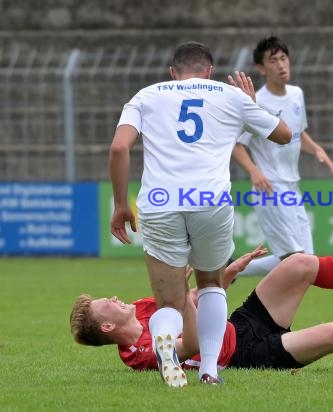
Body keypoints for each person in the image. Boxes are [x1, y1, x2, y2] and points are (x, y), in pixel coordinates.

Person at [109, 41, 292, 386]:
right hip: (210, 201)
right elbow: (283, 135)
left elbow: (120, 147)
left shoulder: (146, 96)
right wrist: (250, 107)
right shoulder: (228, 94)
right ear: (209, 70)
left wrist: (121, 205)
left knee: (170, 300)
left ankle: (166, 347)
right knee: (210, 284)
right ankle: (209, 369)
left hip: (160, 203)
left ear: (172, 73)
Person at [71, 250, 333, 381]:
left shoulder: (143, 306)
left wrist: (223, 276)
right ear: (107, 327)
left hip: (237, 324)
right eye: (108, 303)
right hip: (245, 355)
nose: (116, 297)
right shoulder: (139, 355)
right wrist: (184, 294)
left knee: (300, 264)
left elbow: (196, 298)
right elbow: (190, 342)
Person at [232, 36, 333, 276]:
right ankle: (236, 279)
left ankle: (230, 270)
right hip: (269, 187)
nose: (281, 65)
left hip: (292, 186)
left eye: (283, 58)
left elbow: (298, 133)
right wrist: (254, 171)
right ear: (261, 68)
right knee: (297, 262)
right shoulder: (256, 102)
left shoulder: (296, 94)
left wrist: (317, 150)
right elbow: (236, 145)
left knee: (306, 260)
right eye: (273, 61)